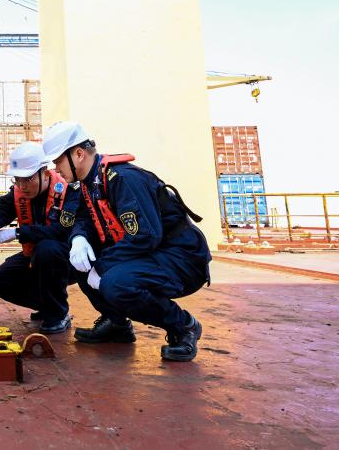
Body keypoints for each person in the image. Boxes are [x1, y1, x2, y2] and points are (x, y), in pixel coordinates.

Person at [42, 121, 212, 361]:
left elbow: (145, 235)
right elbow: (85, 217)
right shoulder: (92, 182)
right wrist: (80, 238)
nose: (56, 168)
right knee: (81, 262)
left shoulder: (122, 179)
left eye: (58, 161)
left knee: (115, 283)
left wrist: (102, 266)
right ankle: (117, 323)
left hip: (181, 257)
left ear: (78, 154)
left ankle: (184, 326)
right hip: (154, 251)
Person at [0, 141, 84, 334]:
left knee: (47, 249)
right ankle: (48, 305)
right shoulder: (21, 191)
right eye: (17, 180)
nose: (21, 186)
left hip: (70, 259)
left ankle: (57, 314)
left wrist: (16, 233)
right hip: (37, 256)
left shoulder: (69, 191)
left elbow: (61, 230)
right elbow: (2, 209)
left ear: (45, 173)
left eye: (27, 179)